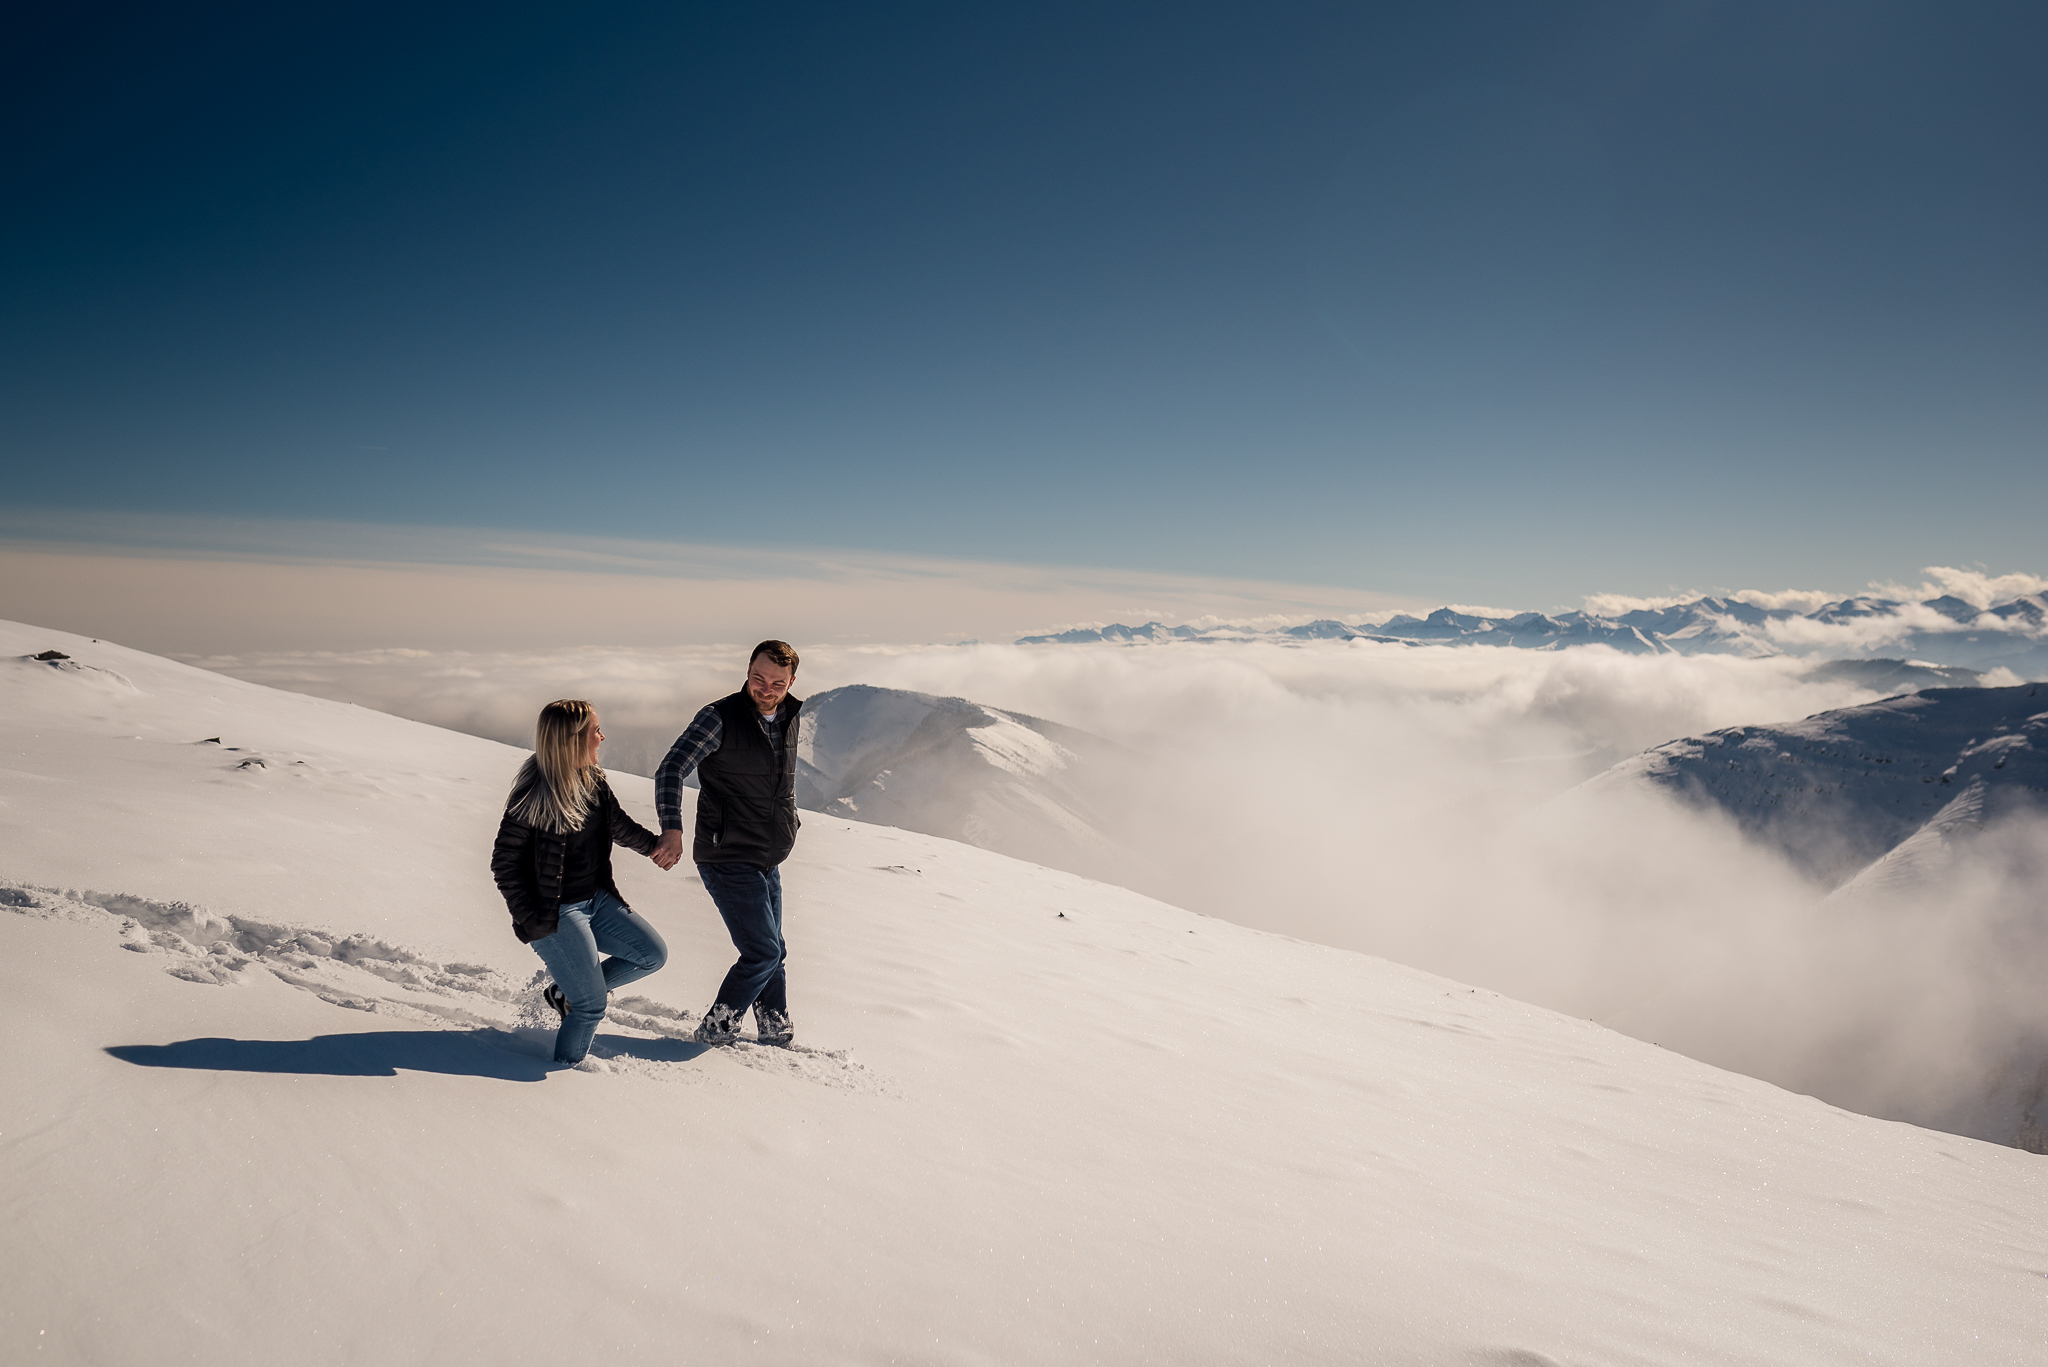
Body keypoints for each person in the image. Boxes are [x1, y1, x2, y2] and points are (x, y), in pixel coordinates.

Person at [491, 699, 669, 1066]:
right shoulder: (533, 795)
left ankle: (564, 991)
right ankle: (564, 1078)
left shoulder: (593, 781)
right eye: (594, 731)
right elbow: (504, 864)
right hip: (554, 913)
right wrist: (534, 921)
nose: (602, 738)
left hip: (595, 900)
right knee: (590, 1006)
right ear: (571, 741)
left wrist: (655, 848)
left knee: (651, 955)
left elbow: (618, 825)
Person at [652, 640, 804, 1046]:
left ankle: (774, 1022)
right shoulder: (718, 718)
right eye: (758, 678)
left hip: (768, 853)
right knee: (762, 951)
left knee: (775, 947)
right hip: (728, 852)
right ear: (747, 671)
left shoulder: (789, 717)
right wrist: (672, 828)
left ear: (791, 681)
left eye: (777, 682)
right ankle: (717, 1027)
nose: (766, 688)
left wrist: (792, 821)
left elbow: (780, 785)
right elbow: (671, 769)